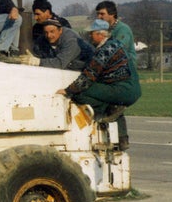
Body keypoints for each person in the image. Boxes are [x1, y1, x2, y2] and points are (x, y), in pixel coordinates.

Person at [57, 19, 141, 150]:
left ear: (100, 34)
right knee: (112, 104)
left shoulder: (105, 51)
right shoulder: (116, 44)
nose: (90, 36)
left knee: (80, 94)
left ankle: (102, 114)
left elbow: (89, 76)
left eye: (92, 33)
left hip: (122, 89)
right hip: (132, 88)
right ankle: (122, 138)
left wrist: (68, 90)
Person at [22, 18, 94, 70]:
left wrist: (38, 61)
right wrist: (32, 57)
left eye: (52, 31)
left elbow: (60, 63)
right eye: (46, 32)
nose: (49, 35)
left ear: (60, 30)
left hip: (89, 69)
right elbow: (37, 54)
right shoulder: (42, 39)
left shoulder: (71, 40)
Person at [95, 0, 137, 67]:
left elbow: (117, 50)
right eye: (98, 14)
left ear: (112, 14)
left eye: (102, 14)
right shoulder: (103, 29)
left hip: (125, 67)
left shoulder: (123, 29)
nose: (99, 17)